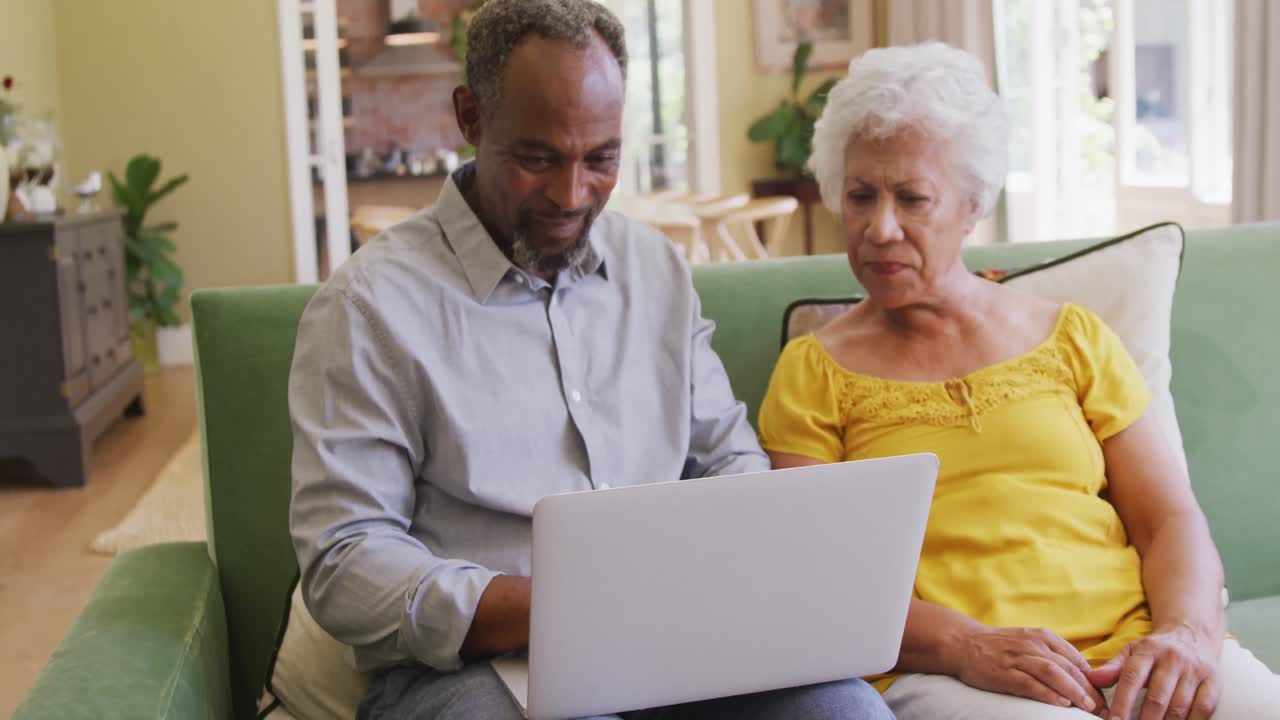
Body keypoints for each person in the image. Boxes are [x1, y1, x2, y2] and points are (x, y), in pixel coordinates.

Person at [287, 1, 893, 718]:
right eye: (536, 158)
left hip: (680, 645)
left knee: (844, 711)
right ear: (471, 119)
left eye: (600, 158)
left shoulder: (656, 270)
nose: (572, 195)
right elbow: (344, 561)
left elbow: (729, 459)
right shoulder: (369, 307)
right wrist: (548, 609)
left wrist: (735, 568)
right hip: (476, 672)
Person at [759, 42, 1280, 720]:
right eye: (861, 196)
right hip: (960, 671)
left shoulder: (1074, 337)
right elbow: (820, 580)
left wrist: (1187, 634)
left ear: (973, 205)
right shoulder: (813, 372)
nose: (880, 228)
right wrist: (967, 647)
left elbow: (1167, 517)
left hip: (1136, 643)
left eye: (913, 198)